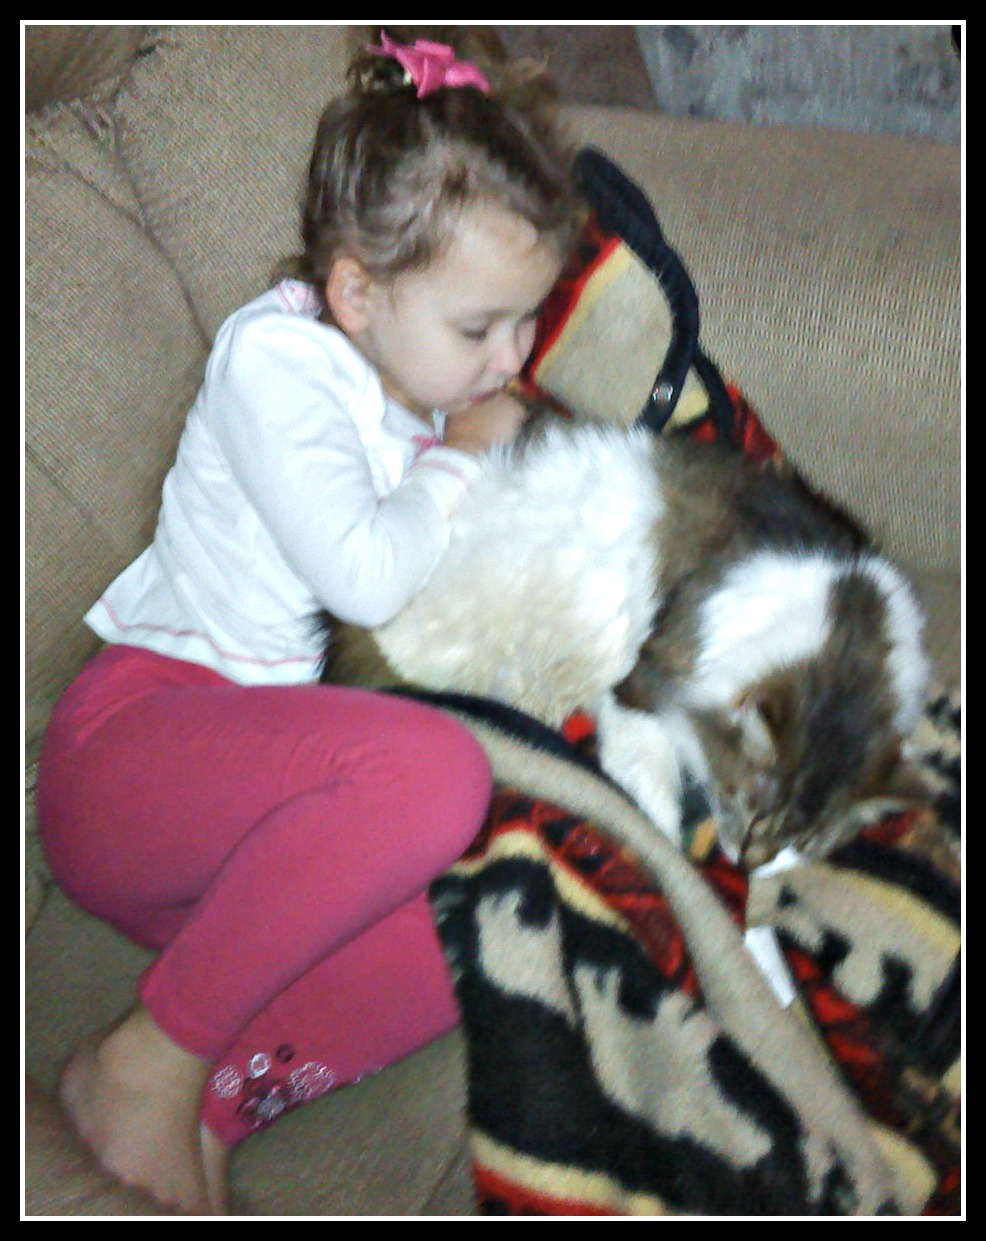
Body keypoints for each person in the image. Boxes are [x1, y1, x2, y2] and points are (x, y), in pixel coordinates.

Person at [36, 27, 581, 1215]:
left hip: (256, 852)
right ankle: (146, 1057)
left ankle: (214, 1100)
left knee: (500, 897)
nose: (510, 357)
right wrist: (463, 459)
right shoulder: (275, 364)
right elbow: (367, 577)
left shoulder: (418, 382)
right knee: (435, 776)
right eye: (479, 327)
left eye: (526, 321)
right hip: (132, 762)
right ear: (355, 292)